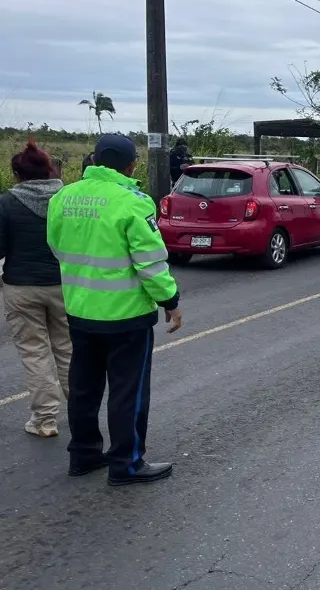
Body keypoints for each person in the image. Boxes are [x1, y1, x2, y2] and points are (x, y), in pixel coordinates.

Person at [47, 134, 184, 486]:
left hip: (80, 311)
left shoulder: (64, 196)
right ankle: (127, 463)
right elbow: (150, 263)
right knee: (128, 391)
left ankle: (84, 454)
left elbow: (56, 246)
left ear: (93, 159)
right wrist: (170, 300)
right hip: (126, 317)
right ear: (131, 165)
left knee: (84, 386)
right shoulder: (133, 203)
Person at [1, 140, 73, 438]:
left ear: (17, 174)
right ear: (49, 170)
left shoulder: (6, 203)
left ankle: (45, 420)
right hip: (65, 285)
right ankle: (83, 410)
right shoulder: (68, 200)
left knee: (35, 353)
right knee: (68, 350)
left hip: (22, 287)